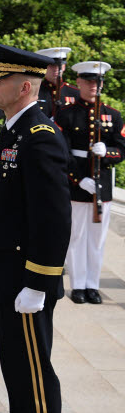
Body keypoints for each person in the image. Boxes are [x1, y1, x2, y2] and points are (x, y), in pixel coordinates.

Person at [0, 44, 71, 413]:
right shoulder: (15, 129)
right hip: (9, 276)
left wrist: (39, 283)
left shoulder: (40, 136)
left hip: (25, 279)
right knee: (17, 375)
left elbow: (53, 219)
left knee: (33, 379)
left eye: (0, 80)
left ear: (25, 87)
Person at [55, 61, 124, 305]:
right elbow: (62, 152)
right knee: (77, 236)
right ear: (79, 83)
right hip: (78, 183)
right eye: (89, 81)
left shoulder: (113, 115)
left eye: (98, 82)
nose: (94, 86)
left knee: (97, 239)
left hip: (101, 184)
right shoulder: (66, 112)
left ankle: (92, 286)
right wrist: (79, 179)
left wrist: (108, 152)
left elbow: (121, 149)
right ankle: (78, 285)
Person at [35, 47, 78, 120]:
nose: (56, 69)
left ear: (64, 67)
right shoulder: (35, 91)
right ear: (43, 67)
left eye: (59, 65)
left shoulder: (75, 93)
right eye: (52, 66)